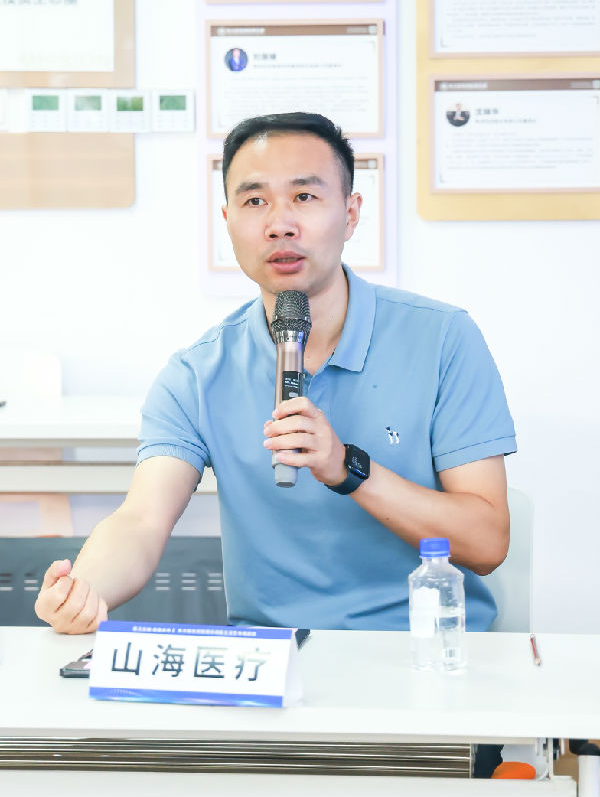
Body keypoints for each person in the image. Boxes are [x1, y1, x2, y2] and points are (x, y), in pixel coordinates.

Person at [34, 112, 516, 636]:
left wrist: (346, 467)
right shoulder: (196, 374)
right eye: (254, 200)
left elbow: (487, 542)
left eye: (304, 196)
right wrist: (85, 591)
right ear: (227, 220)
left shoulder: (442, 338)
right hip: (273, 658)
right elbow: (141, 520)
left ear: (351, 213)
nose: (280, 223)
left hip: (428, 647)